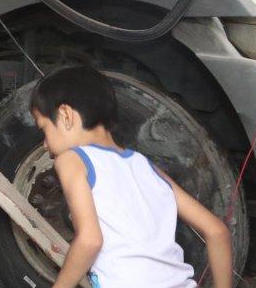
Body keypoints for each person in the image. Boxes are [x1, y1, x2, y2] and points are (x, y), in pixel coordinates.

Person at [29, 66, 232, 288]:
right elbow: (217, 231)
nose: (45, 144)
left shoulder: (72, 160)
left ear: (66, 115)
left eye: (43, 129)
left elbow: (90, 240)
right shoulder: (145, 165)